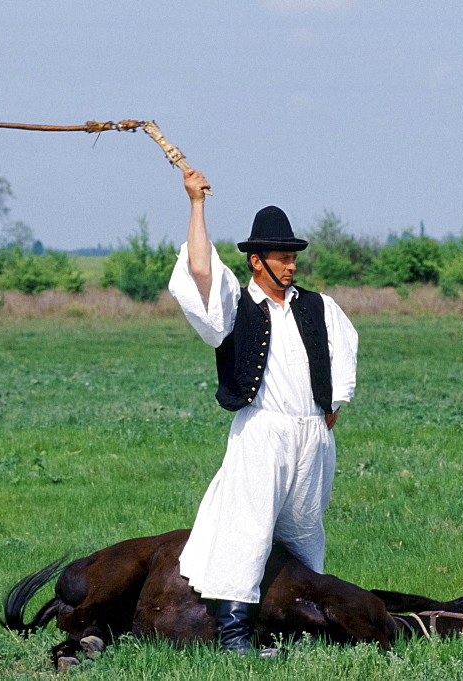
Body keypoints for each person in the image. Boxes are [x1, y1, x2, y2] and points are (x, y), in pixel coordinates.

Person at [168, 168, 359, 654]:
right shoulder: (237, 305)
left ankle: (305, 619)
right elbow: (201, 271)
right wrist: (196, 204)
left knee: (304, 529)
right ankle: (233, 633)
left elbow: (343, 348)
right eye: (282, 258)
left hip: (312, 434)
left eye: (294, 258)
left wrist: (332, 401)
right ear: (257, 261)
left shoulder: (317, 307)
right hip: (262, 433)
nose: (291, 267)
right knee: (247, 526)